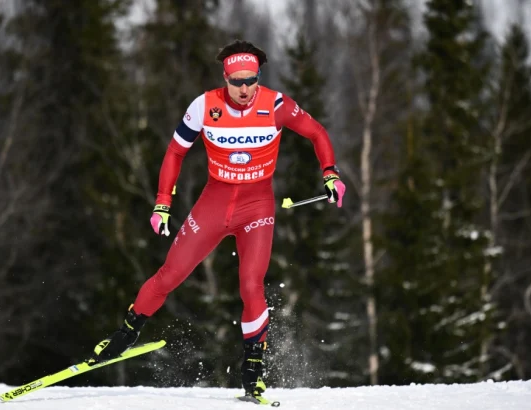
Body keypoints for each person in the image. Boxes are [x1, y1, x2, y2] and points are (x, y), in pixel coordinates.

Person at [88, 39, 346, 402]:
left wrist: (330, 174)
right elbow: (175, 151)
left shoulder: (276, 105)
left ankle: (253, 370)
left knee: (251, 286)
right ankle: (125, 334)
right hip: (214, 204)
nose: (244, 89)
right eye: (237, 81)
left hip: (257, 207)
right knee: (170, 275)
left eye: (251, 80)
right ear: (225, 78)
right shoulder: (204, 106)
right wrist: (162, 204)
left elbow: (317, 132)